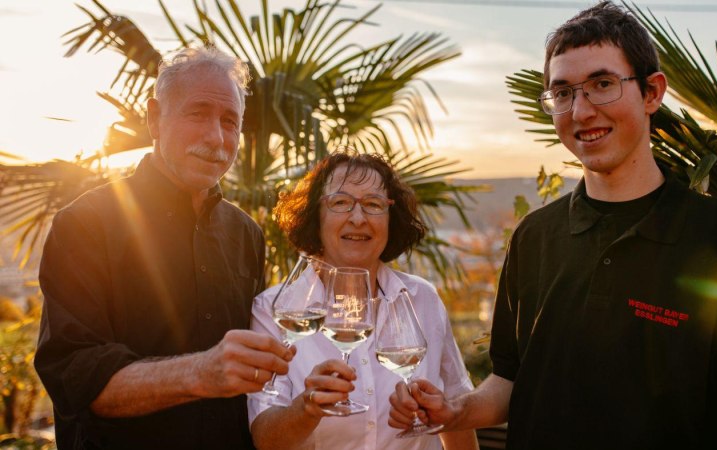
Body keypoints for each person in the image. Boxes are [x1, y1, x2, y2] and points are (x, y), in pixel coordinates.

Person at [388, 2, 717, 449]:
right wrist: (456, 410)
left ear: (651, 93)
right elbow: (509, 378)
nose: (580, 111)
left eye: (602, 84)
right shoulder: (534, 236)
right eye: (563, 92)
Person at [34, 47, 294, 449]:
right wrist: (201, 372)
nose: (216, 137)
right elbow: (75, 375)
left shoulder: (246, 234)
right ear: (155, 118)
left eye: (230, 121)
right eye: (198, 113)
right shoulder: (85, 223)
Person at [247, 151, 478, 450]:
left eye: (373, 204)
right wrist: (307, 408)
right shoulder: (274, 310)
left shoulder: (423, 299)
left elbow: (456, 413)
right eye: (341, 202)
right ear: (315, 215)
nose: (358, 218)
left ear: (391, 218)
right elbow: (265, 437)